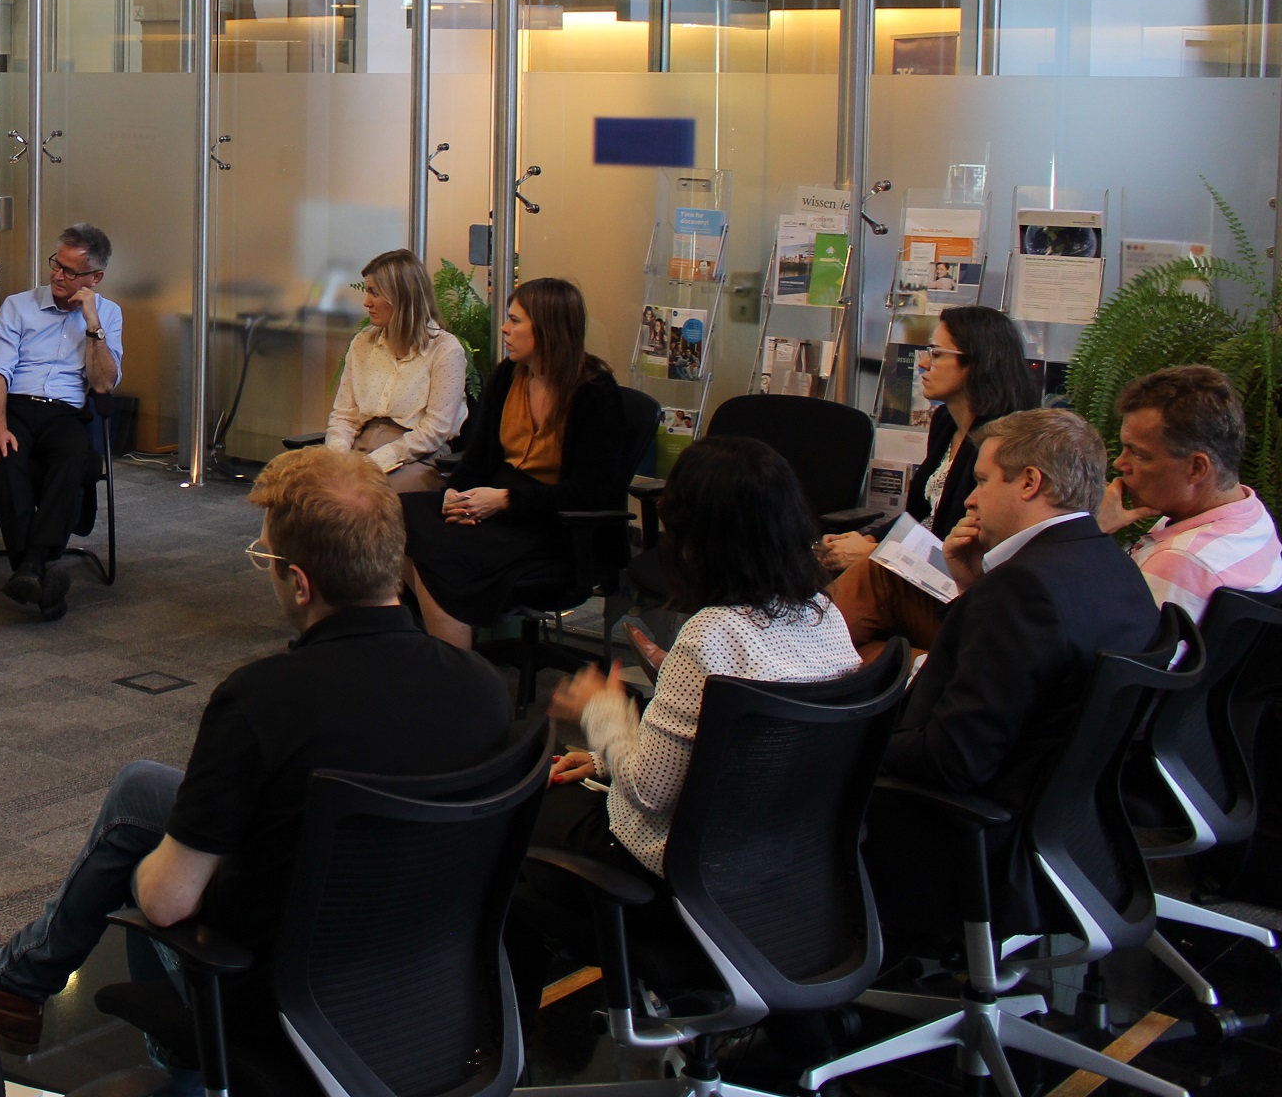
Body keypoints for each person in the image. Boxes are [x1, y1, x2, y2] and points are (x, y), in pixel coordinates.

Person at [0, 448, 509, 1070]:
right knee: (145, 789)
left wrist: (155, 869)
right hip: (430, 984)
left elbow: (167, 903)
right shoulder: (482, 687)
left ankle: (47, 996)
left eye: (268, 560)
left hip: (284, 997)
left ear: (301, 583)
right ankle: (23, 984)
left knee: (144, 854)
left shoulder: (262, 700)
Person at [873, 409, 1161, 932]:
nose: (969, 499)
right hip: (1071, 838)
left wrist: (856, 740)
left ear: (1030, 482)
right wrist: (973, 587)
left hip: (966, 844)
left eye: (983, 481)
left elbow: (953, 762)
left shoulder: (1022, 589)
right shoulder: (1111, 564)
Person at [540, 436, 862, 877]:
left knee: (519, 807)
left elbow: (650, 794)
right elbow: (732, 758)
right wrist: (604, 761)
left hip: (678, 859)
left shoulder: (708, 636)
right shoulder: (824, 614)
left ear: (694, 541)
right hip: (777, 855)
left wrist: (601, 709)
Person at [403, 277, 629, 650]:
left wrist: (505, 500)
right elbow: (479, 457)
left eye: (515, 320)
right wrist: (454, 494)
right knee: (399, 514)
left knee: (439, 555)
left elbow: (591, 492)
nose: (505, 328)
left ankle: (455, 665)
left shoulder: (595, 392)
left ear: (548, 328)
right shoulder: (509, 375)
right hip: (496, 504)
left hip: (556, 523)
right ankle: (445, 651)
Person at [819, 305, 1040, 655]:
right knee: (866, 649)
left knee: (875, 576)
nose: (922, 363)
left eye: (936, 354)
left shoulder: (1003, 442)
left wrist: (877, 552)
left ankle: (794, 654)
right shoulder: (945, 422)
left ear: (977, 362)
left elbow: (971, 544)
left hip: (964, 590)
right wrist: (868, 538)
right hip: (920, 576)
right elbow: (921, 516)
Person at [0, 223, 125, 621]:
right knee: (7, 456)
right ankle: (38, 568)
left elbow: (103, 384)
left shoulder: (108, 314)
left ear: (95, 278)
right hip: (16, 405)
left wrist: (92, 324)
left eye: (70, 271)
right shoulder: (17, 306)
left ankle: (29, 570)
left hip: (65, 411)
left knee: (74, 456)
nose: (57, 275)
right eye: (55, 264)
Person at [1103, 365, 1282, 617]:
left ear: (1196, 468)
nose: (1119, 464)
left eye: (1139, 455)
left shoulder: (1180, 561)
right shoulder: (1251, 515)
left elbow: (1090, 636)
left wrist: (1089, 533)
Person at [320, 247, 468, 496]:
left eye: (374, 293)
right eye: (367, 291)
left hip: (417, 456)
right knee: (297, 486)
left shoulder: (445, 350)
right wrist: (337, 458)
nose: (366, 302)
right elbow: (345, 416)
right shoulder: (363, 342)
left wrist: (374, 462)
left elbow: (434, 431)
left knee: (357, 497)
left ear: (401, 297)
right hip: (360, 445)